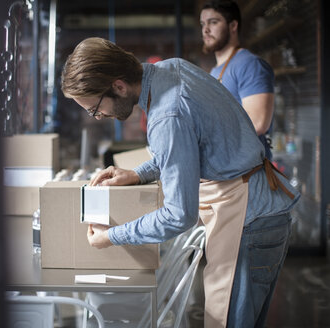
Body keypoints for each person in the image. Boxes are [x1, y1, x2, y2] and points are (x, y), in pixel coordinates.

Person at [60, 37, 299, 328]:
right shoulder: (172, 69)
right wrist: (138, 173)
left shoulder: (166, 115)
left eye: (94, 109)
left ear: (119, 86)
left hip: (249, 220)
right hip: (259, 209)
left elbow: (178, 215)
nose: (99, 117)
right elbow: (188, 147)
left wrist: (112, 236)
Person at [200, 0, 275, 159]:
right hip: (224, 171)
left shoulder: (250, 65)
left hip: (248, 175)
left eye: (213, 22)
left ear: (233, 26)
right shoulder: (215, 71)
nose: (205, 30)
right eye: (202, 24)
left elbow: (258, 122)